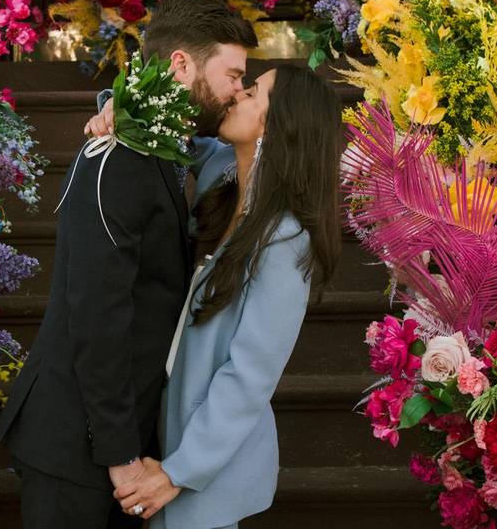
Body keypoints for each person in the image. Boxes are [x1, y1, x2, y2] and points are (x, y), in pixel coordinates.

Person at [0, 0, 258, 529]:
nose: (237, 90)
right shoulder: (117, 160)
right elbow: (97, 315)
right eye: (233, 74)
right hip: (76, 443)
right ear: (181, 63)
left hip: (117, 432)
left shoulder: (157, 145)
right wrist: (120, 456)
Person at [94, 65, 343, 528]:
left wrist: (178, 472)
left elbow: (249, 377)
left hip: (208, 461)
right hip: (162, 424)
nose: (235, 97)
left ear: (277, 123)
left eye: (251, 93)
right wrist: (118, 104)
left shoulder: (285, 240)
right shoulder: (220, 172)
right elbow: (174, 129)